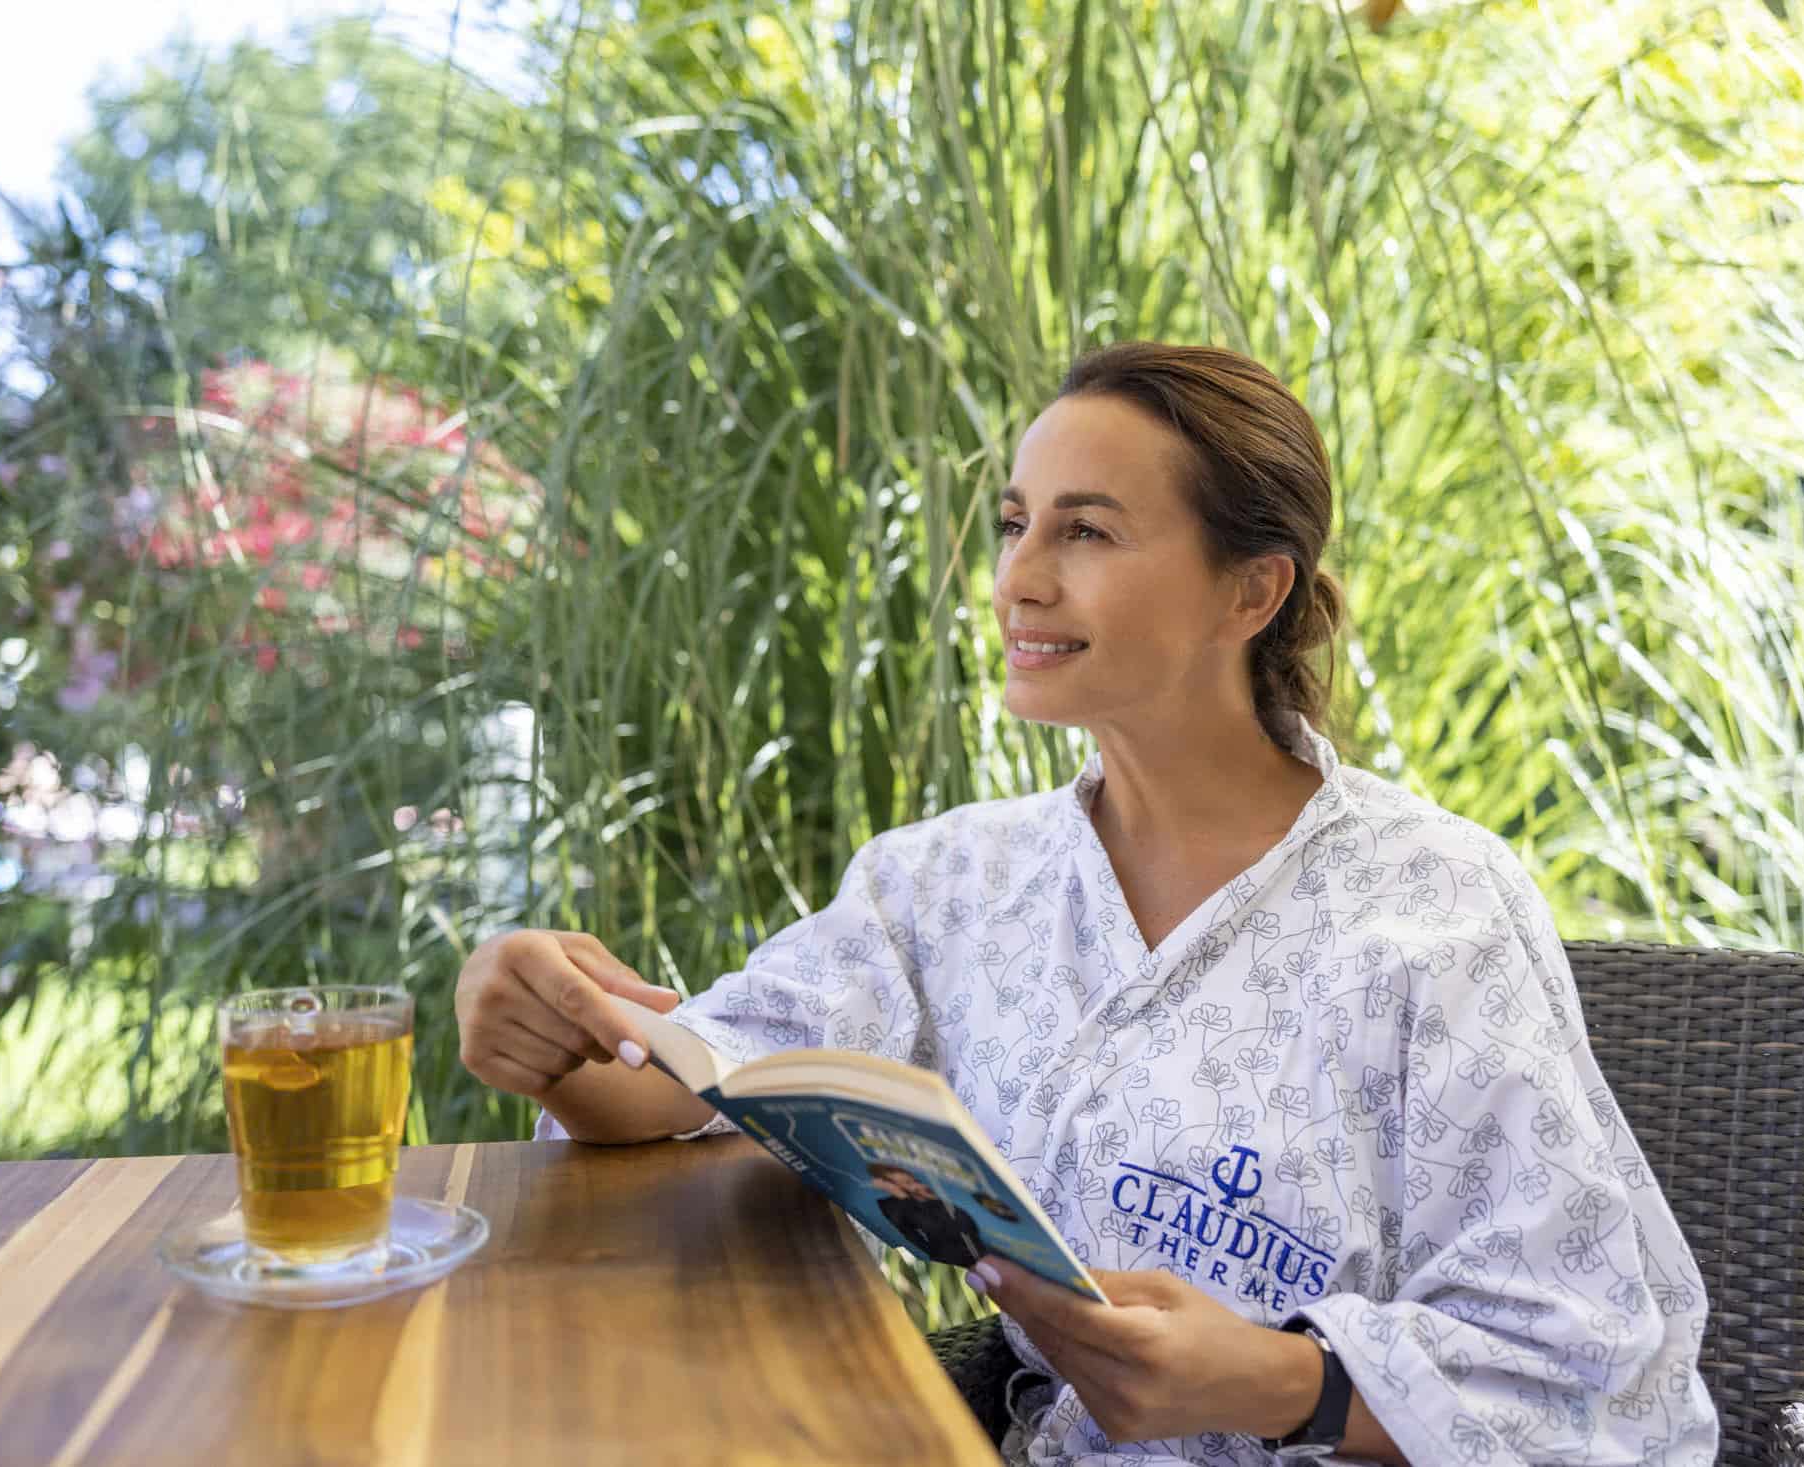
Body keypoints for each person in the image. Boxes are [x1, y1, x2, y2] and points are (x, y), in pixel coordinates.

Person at [452, 342, 1720, 1466]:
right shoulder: (949, 882)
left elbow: (1598, 1372)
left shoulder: (1434, 905)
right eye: (1015, 524)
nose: (1019, 580)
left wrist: (1288, 1384)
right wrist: (553, 1030)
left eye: (1088, 532)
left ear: (1252, 592)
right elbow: (694, 1080)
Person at [867, 1162, 988, 1267]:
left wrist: (932, 1198)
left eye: (913, 1180)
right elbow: (931, 1228)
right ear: (892, 1187)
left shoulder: (934, 1194)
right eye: (908, 1183)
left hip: (980, 1252)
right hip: (950, 1259)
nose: (916, 1185)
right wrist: (905, 1198)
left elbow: (967, 1224)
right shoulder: (894, 1206)